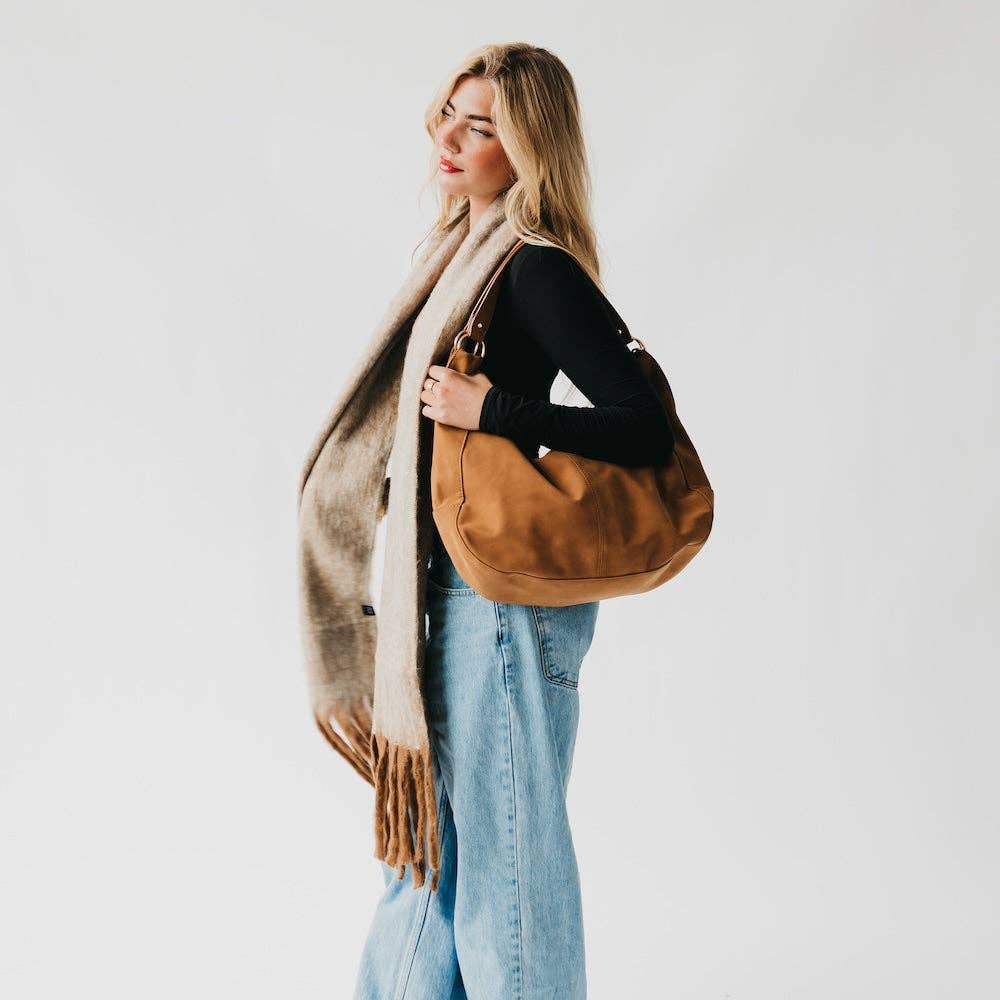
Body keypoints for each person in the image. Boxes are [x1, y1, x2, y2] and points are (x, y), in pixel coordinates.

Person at [353, 43, 673, 1000]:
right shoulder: (456, 264)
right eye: (448, 115)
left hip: (500, 602)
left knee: (505, 864)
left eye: (481, 126)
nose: (450, 138)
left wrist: (493, 409)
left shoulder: (534, 270)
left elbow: (643, 426)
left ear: (529, 149)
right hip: (447, 591)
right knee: (427, 863)